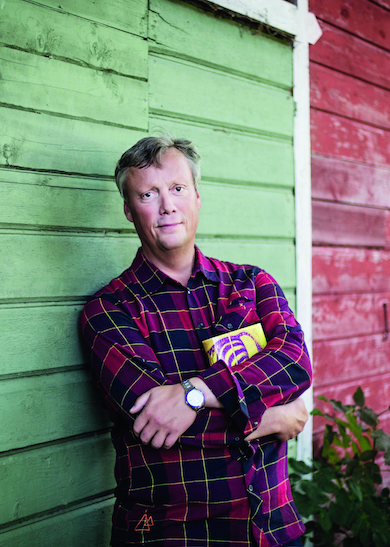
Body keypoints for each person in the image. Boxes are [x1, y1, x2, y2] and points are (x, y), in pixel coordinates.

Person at [80, 136, 312, 546]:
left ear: (197, 197)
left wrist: (194, 393)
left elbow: (294, 364)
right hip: (175, 534)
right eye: (148, 194)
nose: (167, 205)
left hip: (272, 528)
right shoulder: (109, 311)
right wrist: (275, 416)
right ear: (129, 210)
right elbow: (159, 422)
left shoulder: (251, 284)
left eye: (177, 188)